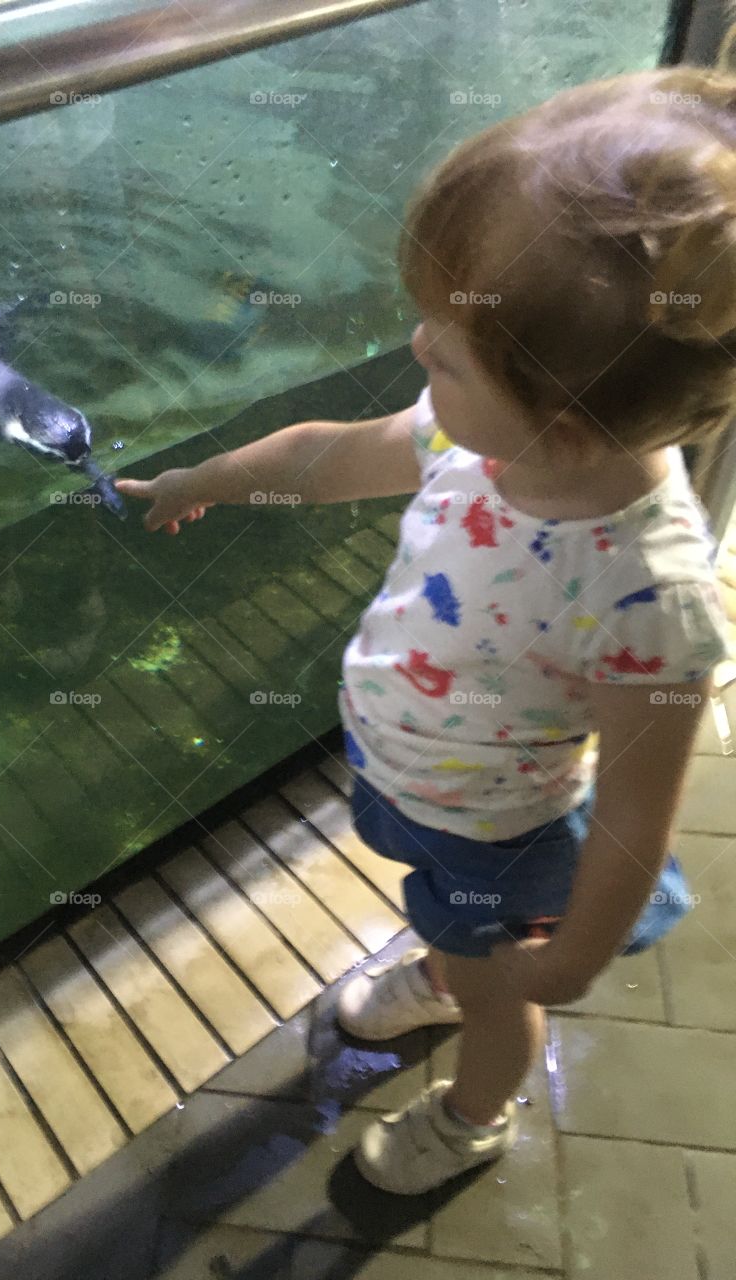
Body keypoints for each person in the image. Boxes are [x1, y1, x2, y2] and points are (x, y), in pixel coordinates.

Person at [114, 64, 733, 1195]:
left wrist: (577, 951)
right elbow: (322, 452)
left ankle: (473, 1108)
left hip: (501, 831)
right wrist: (207, 476)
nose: (415, 346)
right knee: (451, 922)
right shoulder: (480, 439)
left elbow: (638, 817)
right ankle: (451, 964)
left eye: (445, 348)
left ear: (564, 424)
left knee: (504, 986)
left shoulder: (650, 602)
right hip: (415, 778)